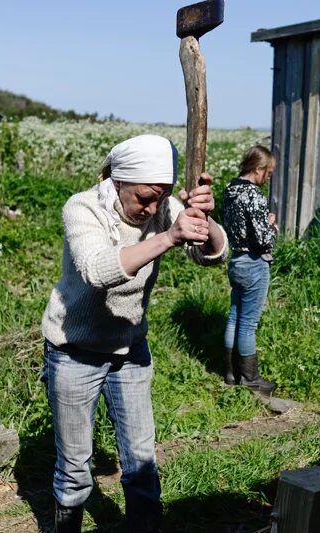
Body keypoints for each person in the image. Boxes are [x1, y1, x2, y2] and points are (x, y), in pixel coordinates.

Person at [40, 134, 227, 533]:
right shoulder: (83, 207)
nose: (153, 207)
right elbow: (97, 270)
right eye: (144, 197)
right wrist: (170, 236)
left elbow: (212, 254)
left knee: (141, 460)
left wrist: (204, 223)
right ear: (119, 181)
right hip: (74, 352)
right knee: (75, 467)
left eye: (161, 197)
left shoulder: (161, 207)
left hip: (129, 350)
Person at [222, 145, 278, 396]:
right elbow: (262, 240)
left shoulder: (230, 190)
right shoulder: (255, 196)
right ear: (258, 169)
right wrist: (271, 227)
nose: (269, 177)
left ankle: (231, 373)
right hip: (254, 262)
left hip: (236, 260)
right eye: (269, 172)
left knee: (234, 316)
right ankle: (250, 378)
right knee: (248, 324)